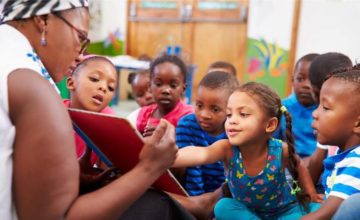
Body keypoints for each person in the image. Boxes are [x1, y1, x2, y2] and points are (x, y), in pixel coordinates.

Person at [0, 1, 186, 219]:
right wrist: (150, 168)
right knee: (158, 205)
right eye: (80, 37)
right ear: (43, 19)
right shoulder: (34, 87)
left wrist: (70, 175)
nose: (80, 54)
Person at [174, 82, 321, 219]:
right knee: (223, 207)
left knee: (318, 207)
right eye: (229, 114)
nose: (232, 120)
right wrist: (167, 157)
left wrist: (311, 194)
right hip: (249, 214)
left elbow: (299, 164)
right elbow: (201, 153)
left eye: (243, 114)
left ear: (270, 124)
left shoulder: (280, 150)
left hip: (286, 212)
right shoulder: (227, 149)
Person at [302, 67, 360, 219]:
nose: (315, 113)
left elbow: (326, 214)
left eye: (326, 108)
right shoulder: (347, 155)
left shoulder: (357, 161)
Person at [176, 71, 239, 196]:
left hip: (225, 194)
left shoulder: (235, 130)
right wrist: (196, 202)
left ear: (230, 110)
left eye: (215, 109)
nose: (204, 115)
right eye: (199, 105)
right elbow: (192, 170)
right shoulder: (187, 125)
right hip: (191, 194)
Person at [306, 52, 353, 184]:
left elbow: (316, 162)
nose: (315, 114)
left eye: (325, 108)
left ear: (314, 91)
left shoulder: (330, 123)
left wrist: (306, 193)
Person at [274, 53, 319, 158]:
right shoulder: (281, 107)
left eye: (312, 80)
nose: (306, 85)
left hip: (318, 164)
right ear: (292, 80)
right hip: (288, 162)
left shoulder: (325, 110)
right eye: (300, 79)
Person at [136, 54, 193, 137]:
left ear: (183, 89)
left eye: (173, 85)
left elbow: (192, 142)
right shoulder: (144, 114)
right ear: (149, 87)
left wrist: (170, 134)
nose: (166, 90)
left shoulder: (187, 116)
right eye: (159, 84)